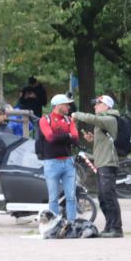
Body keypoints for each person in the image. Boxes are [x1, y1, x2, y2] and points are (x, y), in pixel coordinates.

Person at [73, 95, 124, 237]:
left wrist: (77, 114)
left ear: (107, 106)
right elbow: (104, 144)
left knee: (109, 195)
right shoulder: (103, 122)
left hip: (108, 162)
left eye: (98, 103)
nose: (95, 106)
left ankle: (116, 228)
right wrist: (92, 140)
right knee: (102, 196)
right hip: (102, 162)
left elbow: (93, 119)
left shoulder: (110, 119)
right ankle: (109, 226)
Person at [38, 94, 79, 224]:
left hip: (68, 161)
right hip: (51, 162)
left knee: (71, 196)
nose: (68, 107)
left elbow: (76, 138)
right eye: (66, 105)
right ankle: (54, 225)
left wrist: (61, 136)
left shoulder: (69, 120)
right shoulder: (45, 120)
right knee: (53, 198)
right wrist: (67, 135)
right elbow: (49, 138)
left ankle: (71, 224)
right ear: (59, 106)